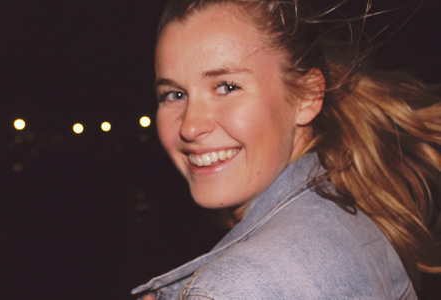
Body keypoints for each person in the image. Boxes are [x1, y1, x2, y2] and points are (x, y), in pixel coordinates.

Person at [131, 0, 441, 299]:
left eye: (226, 87)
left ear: (307, 97)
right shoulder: (348, 215)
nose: (190, 126)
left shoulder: (238, 286)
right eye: (174, 94)